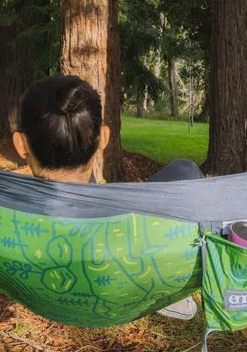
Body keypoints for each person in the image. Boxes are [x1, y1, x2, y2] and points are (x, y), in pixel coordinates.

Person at [12, 75, 201, 320]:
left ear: (20, 144)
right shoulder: (126, 218)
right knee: (185, 170)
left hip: (49, 253)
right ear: (103, 138)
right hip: (120, 256)